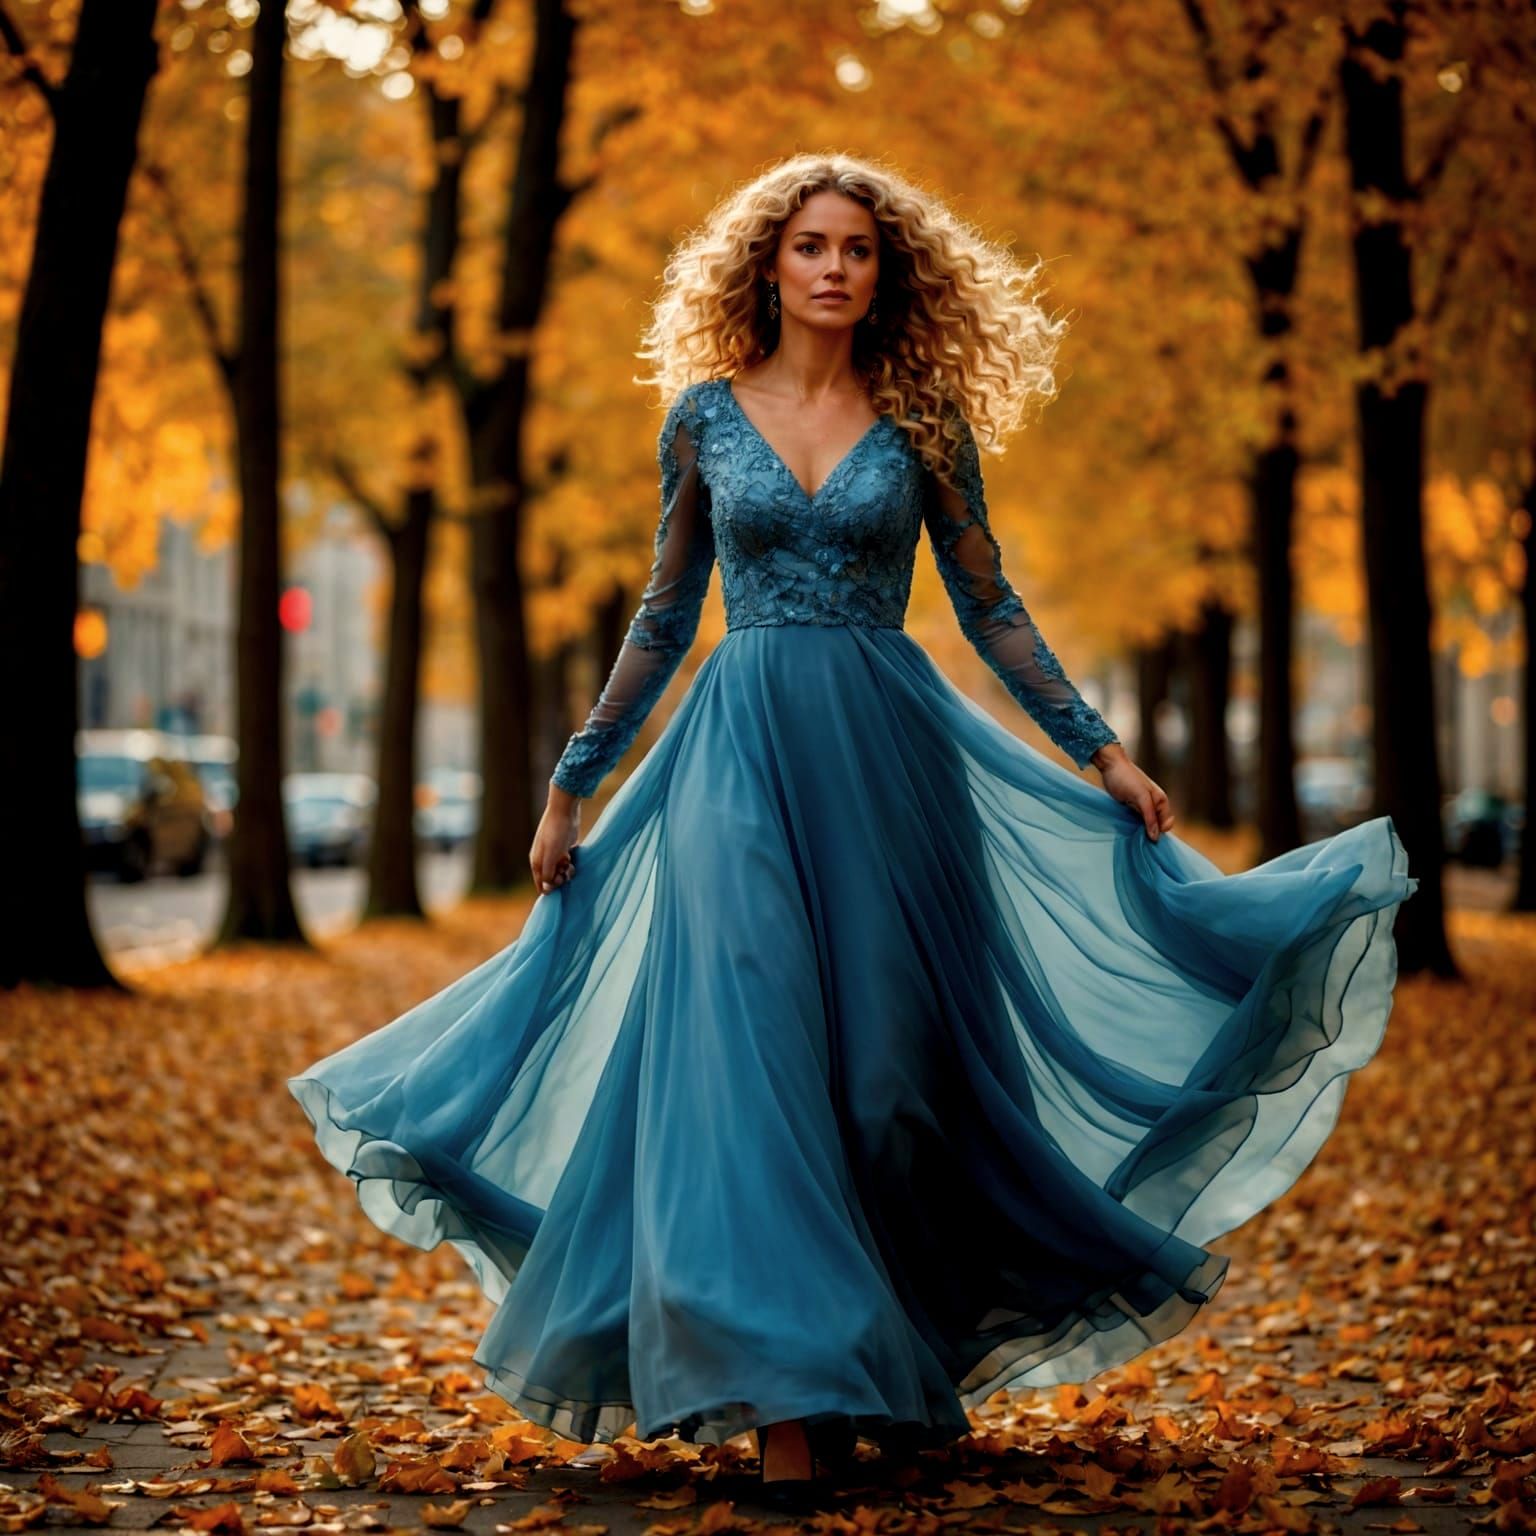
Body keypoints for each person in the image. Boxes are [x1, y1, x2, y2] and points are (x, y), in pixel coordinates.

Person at [289, 152, 1417, 1511]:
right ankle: (789, 1402)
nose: (834, 267)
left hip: (890, 765)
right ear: (767, 265)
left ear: (888, 275)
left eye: (858, 249)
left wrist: (1101, 751)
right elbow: (664, 613)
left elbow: (990, 605)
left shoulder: (927, 421)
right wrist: (573, 779)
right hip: (736, 764)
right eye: (811, 245)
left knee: (890, 1089)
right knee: (750, 1063)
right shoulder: (702, 419)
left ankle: (892, 1357)